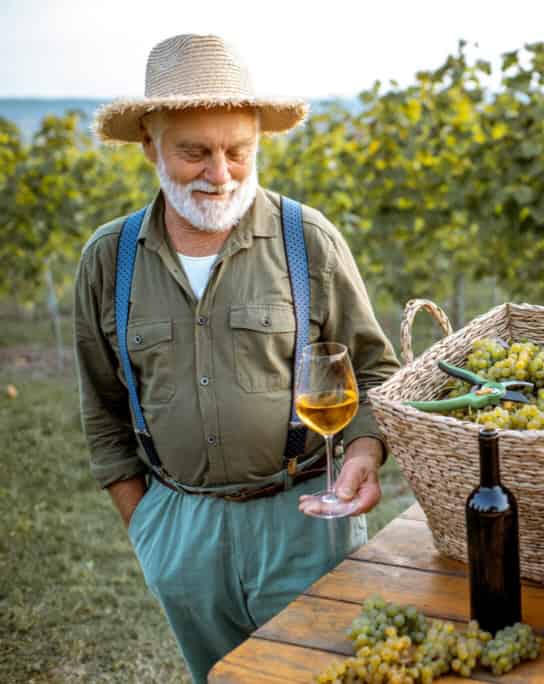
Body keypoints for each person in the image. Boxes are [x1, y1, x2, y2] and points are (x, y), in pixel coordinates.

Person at [74, 34, 400, 682]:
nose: (220, 173)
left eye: (238, 151)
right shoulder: (110, 259)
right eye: (195, 151)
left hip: (304, 519)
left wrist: (363, 455)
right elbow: (103, 410)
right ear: (150, 145)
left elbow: (375, 370)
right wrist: (150, 529)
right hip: (180, 529)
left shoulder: (307, 238)